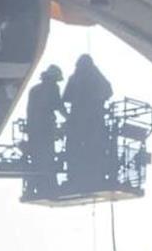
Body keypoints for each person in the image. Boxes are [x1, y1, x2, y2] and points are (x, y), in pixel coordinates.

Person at [62, 54, 113, 190]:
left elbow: (66, 97)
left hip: (78, 121)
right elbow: (109, 91)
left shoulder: (75, 78)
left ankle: (74, 177)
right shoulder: (96, 76)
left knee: (74, 149)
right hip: (94, 121)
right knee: (95, 148)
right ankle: (96, 176)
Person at [24, 65, 68, 196]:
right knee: (47, 157)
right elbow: (58, 106)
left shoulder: (34, 90)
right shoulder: (53, 88)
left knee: (36, 158)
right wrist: (70, 118)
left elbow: (30, 111)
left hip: (33, 129)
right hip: (45, 129)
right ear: (54, 78)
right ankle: (50, 187)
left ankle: (34, 187)